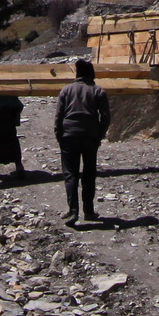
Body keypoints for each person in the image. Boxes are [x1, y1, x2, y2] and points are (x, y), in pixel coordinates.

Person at [53, 59, 110, 225]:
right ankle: (89, 211)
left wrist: (59, 136)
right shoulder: (98, 91)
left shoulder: (66, 91)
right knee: (89, 173)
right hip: (90, 136)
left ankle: (73, 211)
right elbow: (106, 117)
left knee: (70, 173)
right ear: (92, 74)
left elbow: (59, 117)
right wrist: (99, 135)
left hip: (69, 135)